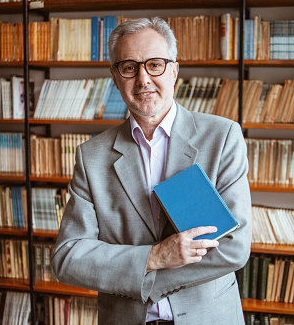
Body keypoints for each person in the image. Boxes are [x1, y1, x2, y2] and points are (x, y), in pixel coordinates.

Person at [51, 17, 252, 325]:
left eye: (155, 64)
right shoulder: (91, 157)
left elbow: (234, 247)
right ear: (116, 78)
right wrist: (153, 258)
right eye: (129, 67)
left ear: (174, 70)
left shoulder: (222, 137)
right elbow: (68, 257)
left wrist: (145, 282)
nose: (143, 79)